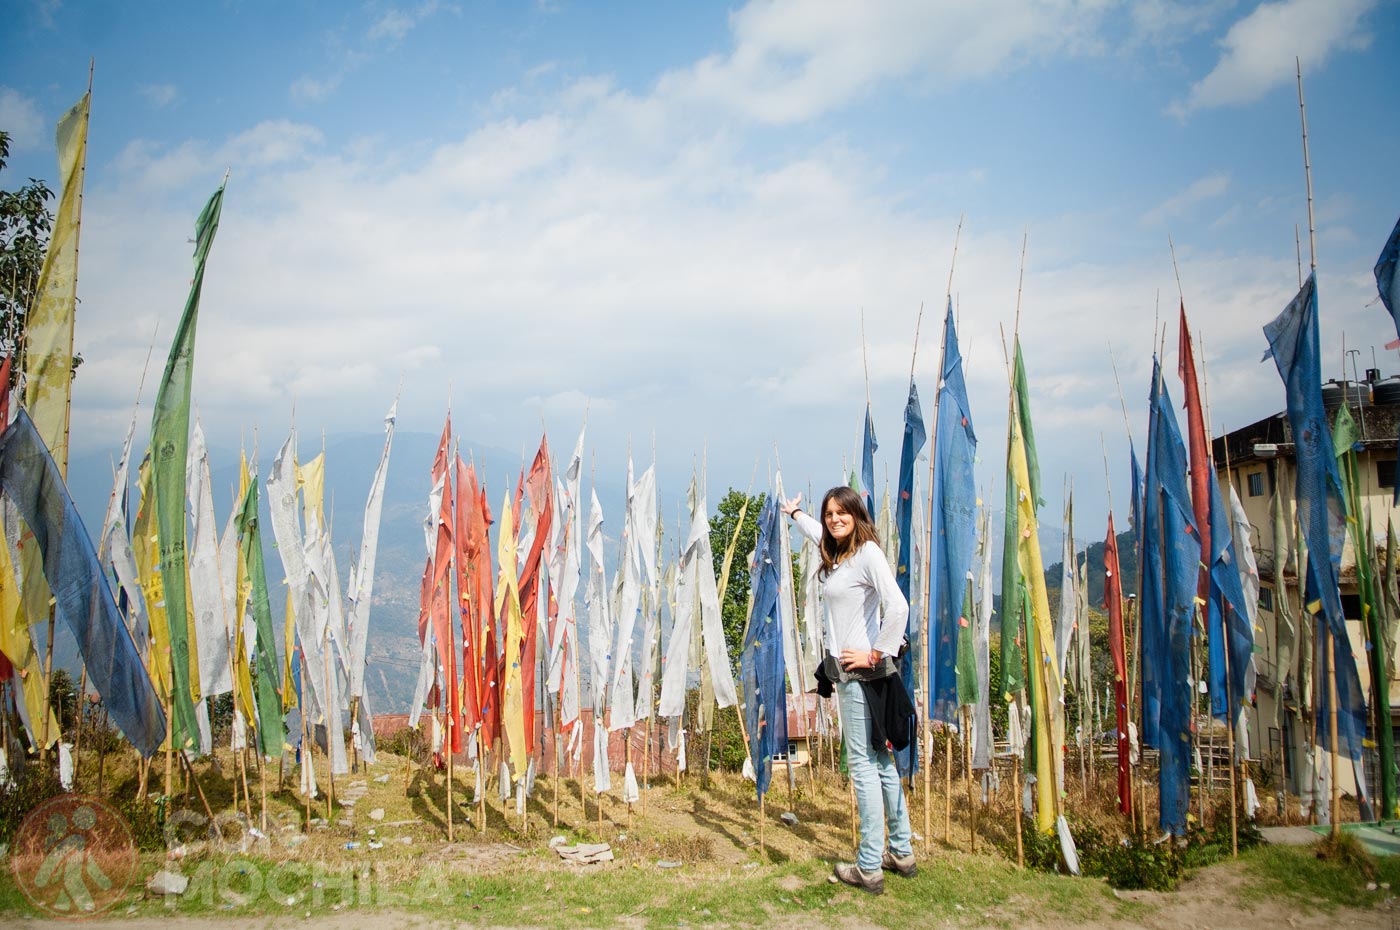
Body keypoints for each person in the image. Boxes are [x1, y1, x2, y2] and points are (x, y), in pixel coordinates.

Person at [781, 486, 916, 895]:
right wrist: (797, 514)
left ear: (858, 515)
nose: (835, 519)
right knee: (880, 760)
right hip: (859, 675)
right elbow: (815, 534)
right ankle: (902, 851)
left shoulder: (868, 554)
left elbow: (899, 607)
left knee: (861, 765)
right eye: (829, 514)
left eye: (842, 513)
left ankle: (869, 865)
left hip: (860, 676)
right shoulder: (839, 554)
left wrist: (876, 653)